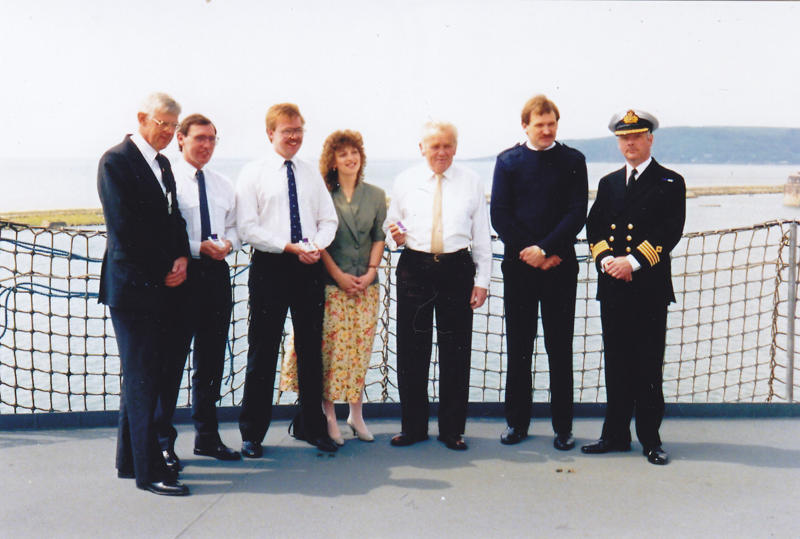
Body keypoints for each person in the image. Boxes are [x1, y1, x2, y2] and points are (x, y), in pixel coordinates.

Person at [97, 92, 191, 496]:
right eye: (162, 124)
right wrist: (162, 269)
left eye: (174, 126)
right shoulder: (115, 162)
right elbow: (125, 229)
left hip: (160, 286)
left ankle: (128, 461)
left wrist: (182, 257)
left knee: (143, 376)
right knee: (142, 378)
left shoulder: (163, 164)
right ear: (141, 118)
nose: (168, 133)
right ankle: (149, 471)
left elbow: (173, 219)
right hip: (133, 289)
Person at [581, 109, 686, 465]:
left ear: (650, 139)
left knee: (648, 364)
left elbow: (669, 231)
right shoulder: (609, 183)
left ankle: (650, 439)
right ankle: (614, 435)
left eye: (637, 137)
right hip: (613, 286)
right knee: (616, 362)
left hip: (648, 287)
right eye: (624, 138)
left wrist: (633, 263)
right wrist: (605, 260)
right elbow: (594, 228)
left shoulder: (670, 182)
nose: (630, 143)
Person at [236, 103, 340, 456]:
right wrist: (288, 246)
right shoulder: (253, 173)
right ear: (271, 134)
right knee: (262, 350)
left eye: (298, 130)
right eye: (286, 131)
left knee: (312, 350)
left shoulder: (310, 173)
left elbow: (328, 220)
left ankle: (313, 427)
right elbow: (248, 228)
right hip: (271, 266)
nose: (294, 137)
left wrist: (313, 246)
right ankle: (253, 433)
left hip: (309, 266)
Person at [384, 121, 492, 451]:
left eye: (447, 146)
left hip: (456, 269)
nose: (441, 152)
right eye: (434, 146)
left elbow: (482, 236)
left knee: (455, 353)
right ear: (422, 149)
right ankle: (413, 427)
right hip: (415, 269)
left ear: (455, 148)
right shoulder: (405, 181)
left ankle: (452, 430)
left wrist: (482, 281)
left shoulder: (471, 182)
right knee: (411, 351)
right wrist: (394, 237)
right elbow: (392, 227)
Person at [490, 95, 588, 450]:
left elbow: (577, 212)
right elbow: (500, 214)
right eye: (539, 125)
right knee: (519, 347)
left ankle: (563, 427)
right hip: (519, 270)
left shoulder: (573, 160)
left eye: (552, 124)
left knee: (559, 348)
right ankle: (517, 423)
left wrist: (545, 249)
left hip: (560, 267)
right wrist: (530, 253)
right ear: (525, 126)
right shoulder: (508, 162)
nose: (546, 130)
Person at [279, 130, 386, 445]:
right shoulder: (323, 194)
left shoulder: (377, 195)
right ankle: (329, 415)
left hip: (366, 286)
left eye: (355, 153)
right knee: (332, 354)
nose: (351, 158)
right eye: (343, 154)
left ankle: (356, 413)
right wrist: (338, 275)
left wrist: (370, 273)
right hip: (332, 284)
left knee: (359, 352)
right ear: (333, 161)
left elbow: (379, 237)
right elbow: (317, 239)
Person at [161, 113, 241, 462]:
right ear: (181, 139)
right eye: (199, 139)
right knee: (171, 362)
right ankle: (163, 442)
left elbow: (237, 228)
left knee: (211, 362)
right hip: (182, 276)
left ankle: (207, 436)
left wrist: (228, 243)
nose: (206, 145)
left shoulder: (224, 184)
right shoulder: (168, 180)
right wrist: (197, 248)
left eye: (212, 139)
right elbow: (164, 231)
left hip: (217, 276)